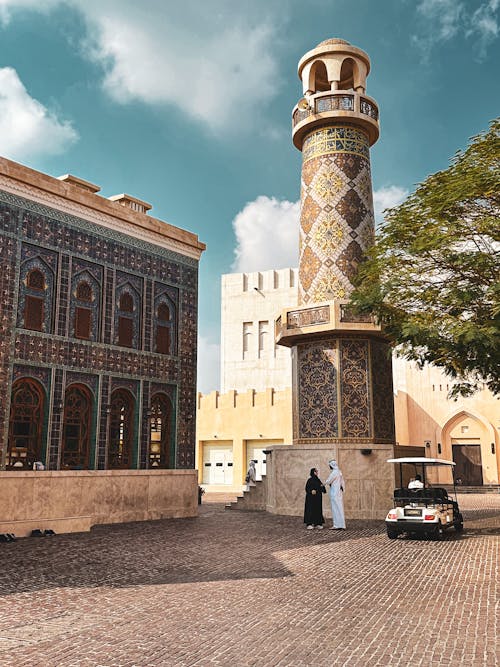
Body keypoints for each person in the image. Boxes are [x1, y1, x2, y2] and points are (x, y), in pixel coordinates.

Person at [325, 460, 346, 530]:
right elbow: (342, 482)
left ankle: (336, 525)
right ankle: (342, 525)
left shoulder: (334, 473)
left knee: (335, 509)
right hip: (339, 493)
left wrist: (323, 484)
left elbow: (329, 481)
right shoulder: (339, 472)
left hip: (334, 493)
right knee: (340, 508)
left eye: (329, 465)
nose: (329, 467)